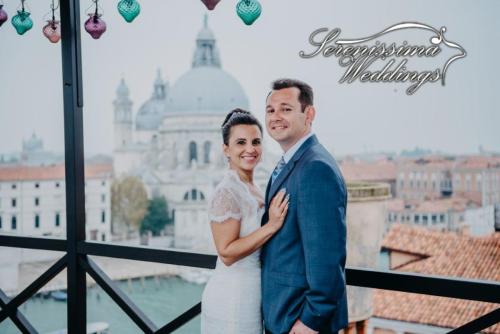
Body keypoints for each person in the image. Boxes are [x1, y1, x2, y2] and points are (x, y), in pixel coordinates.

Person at [261, 79, 348, 334]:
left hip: (300, 321)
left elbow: (327, 258)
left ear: (308, 114)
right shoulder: (294, 162)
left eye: (286, 109)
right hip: (284, 315)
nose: (276, 117)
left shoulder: (315, 168)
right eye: (270, 110)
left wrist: (310, 322)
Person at [201, 108, 290, 334]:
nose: (250, 149)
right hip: (232, 296)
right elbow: (227, 253)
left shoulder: (253, 188)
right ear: (226, 150)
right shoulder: (227, 192)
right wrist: (271, 226)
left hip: (253, 293)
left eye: (256, 142)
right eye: (241, 142)